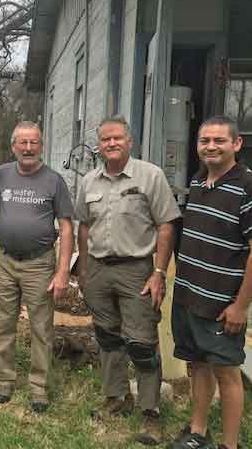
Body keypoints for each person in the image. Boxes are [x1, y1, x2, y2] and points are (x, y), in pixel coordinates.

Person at [75, 115, 181, 445]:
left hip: (137, 270)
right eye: (105, 139)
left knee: (142, 342)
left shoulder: (150, 176)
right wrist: (83, 270)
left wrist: (159, 272)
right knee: (107, 337)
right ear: (99, 145)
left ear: (129, 141)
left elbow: (166, 225)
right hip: (98, 269)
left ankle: (151, 413)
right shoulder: (89, 181)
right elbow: (83, 225)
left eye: (117, 138)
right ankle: (116, 397)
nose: (111, 143)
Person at [169, 116, 252, 449]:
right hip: (188, 296)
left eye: (219, 141)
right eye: (205, 141)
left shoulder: (250, 185)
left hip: (221, 304)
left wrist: (240, 306)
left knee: (227, 373)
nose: (211, 147)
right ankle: (198, 432)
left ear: (237, 144)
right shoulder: (199, 181)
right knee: (197, 365)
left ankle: (230, 445)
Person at [0, 121, 74, 413]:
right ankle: (3, 380)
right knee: (2, 322)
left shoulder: (54, 181)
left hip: (40, 263)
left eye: (33, 143)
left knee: (41, 326)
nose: (28, 148)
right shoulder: (0, 175)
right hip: (7, 260)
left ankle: (38, 387)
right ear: (13, 146)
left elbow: (66, 226)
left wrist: (63, 271)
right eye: (22, 143)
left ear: (41, 146)